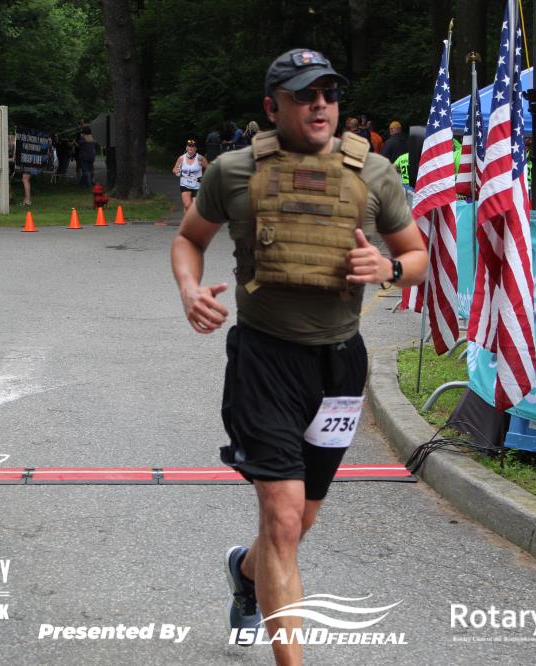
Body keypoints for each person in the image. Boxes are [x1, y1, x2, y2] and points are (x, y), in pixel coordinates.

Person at [170, 48, 426, 665]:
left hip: (339, 367)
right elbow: (189, 238)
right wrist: (189, 289)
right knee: (283, 519)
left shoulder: (374, 173)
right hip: (265, 362)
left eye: (329, 94)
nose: (320, 105)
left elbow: (416, 255)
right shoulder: (233, 171)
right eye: (304, 94)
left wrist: (388, 268)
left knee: (300, 520)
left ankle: (246, 570)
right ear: (272, 106)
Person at [171, 139, 208, 212]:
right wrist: (176, 171)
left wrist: (205, 177)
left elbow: (209, 168)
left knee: (195, 207)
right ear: (186, 147)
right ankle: (187, 219)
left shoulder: (200, 158)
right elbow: (174, 169)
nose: (191, 148)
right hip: (185, 184)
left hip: (197, 185)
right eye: (189, 146)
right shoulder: (181, 158)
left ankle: (191, 218)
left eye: (193, 146)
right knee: (187, 205)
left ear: (195, 148)